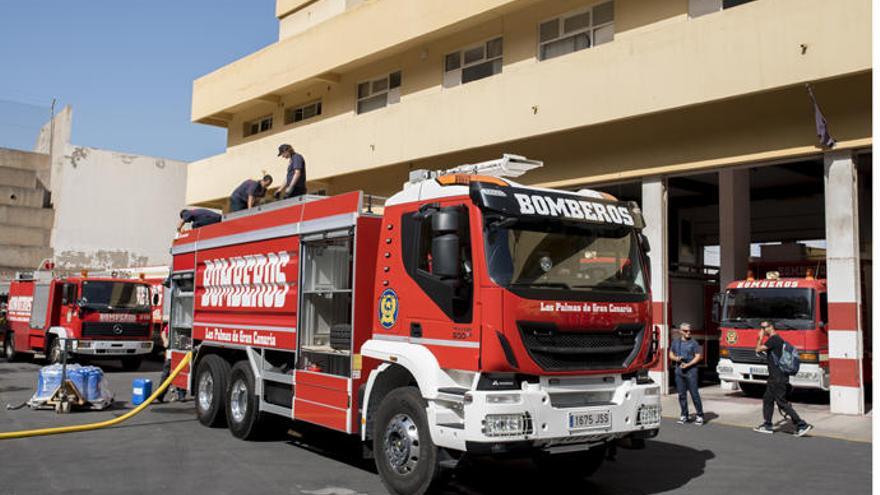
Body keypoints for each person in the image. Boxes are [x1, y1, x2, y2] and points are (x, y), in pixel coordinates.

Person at [753, 321, 813, 436]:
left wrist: (759, 338)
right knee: (768, 399)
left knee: (781, 402)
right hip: (775, 378)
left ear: (771, 327)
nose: (762, 330)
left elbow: (757, 349)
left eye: (764, 328)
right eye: (761, 328)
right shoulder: (776, 340)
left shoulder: (774, 339)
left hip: (778, 378)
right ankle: (767, 425)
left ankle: (801, 424)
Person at [669, 322, 705, 425]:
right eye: (685, 331)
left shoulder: (694, 343)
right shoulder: (676, 342)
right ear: (680, 331)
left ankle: (699, 415)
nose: (688, 332)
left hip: (691, 371)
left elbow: (698, 356)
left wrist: (688, 365)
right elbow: (670, 354)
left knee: (694, 394)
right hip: (679, 371)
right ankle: (684, 415)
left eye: (689, 331)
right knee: (681, 394)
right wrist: (676, 358)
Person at [157, 322, 185, 403]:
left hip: (182, 353)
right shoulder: (173, 322)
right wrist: (165, 341)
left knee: (181, 373)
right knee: (166, 374)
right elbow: (163, 332)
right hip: (171, 353)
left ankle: (181, 395)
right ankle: (160, 395)